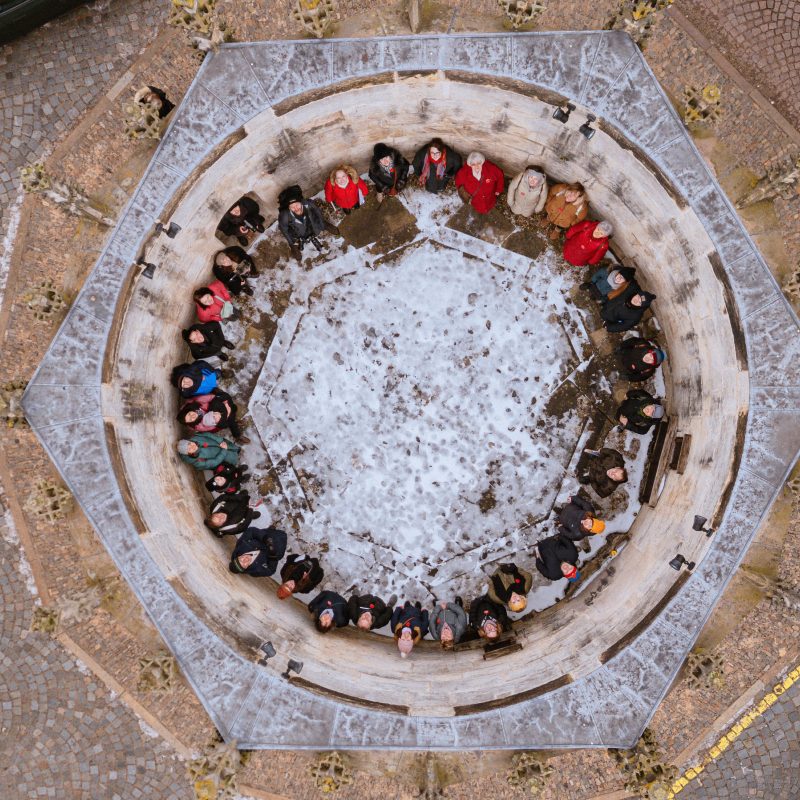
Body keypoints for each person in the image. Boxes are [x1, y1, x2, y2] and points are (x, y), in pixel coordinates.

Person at [277, 185, 331, 262]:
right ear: (288, 208)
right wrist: (292, 245)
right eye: (292, 207)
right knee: (298, 234)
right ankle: (302, 240)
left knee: (314, 228)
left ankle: (314, 240)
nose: (296, 208)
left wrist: (323, 224)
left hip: (309, 223)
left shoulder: (308, 204)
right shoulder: (284, 215)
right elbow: (284, 230)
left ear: (301, 202)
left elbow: (318, 212)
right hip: (297, 229)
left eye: (297, 204)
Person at [176, 389, 247, 441]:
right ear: (191, 423)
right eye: (190, 419)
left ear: (189, 410)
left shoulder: (197, 402)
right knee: (229, 420)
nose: (192, 416)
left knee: (226, 399)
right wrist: (226, 413)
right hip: (215, 422)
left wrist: (224, 406)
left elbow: (212, 397)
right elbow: (214, 426)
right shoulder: (198, 425)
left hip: (217, 406)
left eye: (189, 414)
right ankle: (237, 434)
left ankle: (232, 411)